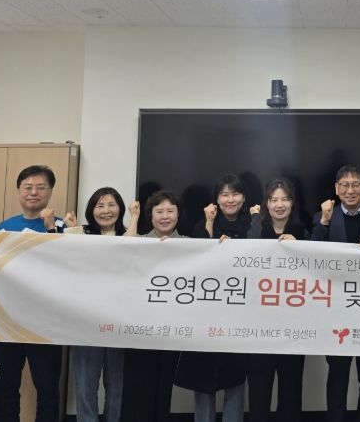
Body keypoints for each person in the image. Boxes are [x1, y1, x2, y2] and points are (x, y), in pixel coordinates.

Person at [311, 164, 360, 422]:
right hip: (336, 310)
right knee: (337, 373)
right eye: (344, 185)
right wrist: (324, 222)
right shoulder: (323, 217)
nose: (350, 190)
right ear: (336, 189)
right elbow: (313, 256)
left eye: (356, 184)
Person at [174, 174, 251, 422]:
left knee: (235, 378)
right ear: (216, 199)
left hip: (240, 312)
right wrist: (209, 225)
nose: (230, 199)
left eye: (235, 194)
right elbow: (197, 258)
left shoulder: (253, 224)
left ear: (244, 198)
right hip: (206, 313)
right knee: (203, 379)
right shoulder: (204, 223)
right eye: (224, 195)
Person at [0, 165, 63, 422]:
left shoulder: (62, 225)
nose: (34, 192)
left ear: (50, 191)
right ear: (19, 191)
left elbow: (67, 267)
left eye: (41, 187)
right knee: (4, 384)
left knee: (47, 386)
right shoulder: (4, 226)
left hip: (46, 321)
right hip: (7, 319)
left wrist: (52, 228)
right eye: (28, 187)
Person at [63, 187, 127, 422]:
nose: (106, 211)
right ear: (92, 210)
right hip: (86, 322)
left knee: (116, 385)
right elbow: (65, 264)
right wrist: (71, 231)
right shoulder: (80, 234)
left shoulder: (131, 236)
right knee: (85, 385)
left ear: (120, 209)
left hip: (120, 322)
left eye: (111, 205)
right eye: (100, 206)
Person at [246, 178, 308, 422]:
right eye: (274, 200)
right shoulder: (256, 229)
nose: (279, 205)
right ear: (267, 204)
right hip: (259, 325)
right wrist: (254, 220)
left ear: (292, 203)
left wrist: (301, 247)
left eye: (285, 199)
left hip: (294, 325)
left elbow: (316, 269)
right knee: (259, 390)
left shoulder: (303, 232)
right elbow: (244, 256)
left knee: (291, 390)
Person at [121, 190, 185, 422]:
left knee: (163, 387)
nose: (165, 216)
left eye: (170, 211)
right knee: (136, 386)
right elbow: (123, 250)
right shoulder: (139, 240)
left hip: (171, 329)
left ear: (178, 215)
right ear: (151, 215)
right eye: (159, 211)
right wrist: (134, 217)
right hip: (138, 327)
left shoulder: (189, 244)